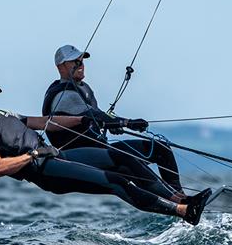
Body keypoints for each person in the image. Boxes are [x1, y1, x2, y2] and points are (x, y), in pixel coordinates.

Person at [0, 72, 211, 224]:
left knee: (118, 157)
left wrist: (84, 120)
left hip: (56, 156)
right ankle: (183, 211)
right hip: (45, 171)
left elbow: (44, 122)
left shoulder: (4, 113)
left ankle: (179, 197)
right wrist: (34, 155)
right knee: (115, 181)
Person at [41, 44, 184, 192]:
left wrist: (113, 124)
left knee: (161, 149)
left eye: (81, 61)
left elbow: (97, 114)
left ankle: (179, 198)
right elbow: (93, 116)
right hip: (83, 158)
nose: (81, 65)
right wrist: (126, 123)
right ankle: (177, 203)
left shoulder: (82, 87)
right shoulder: (64, 95)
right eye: (75, 62)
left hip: (102, 149)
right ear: (61, 67)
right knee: (129, 166)